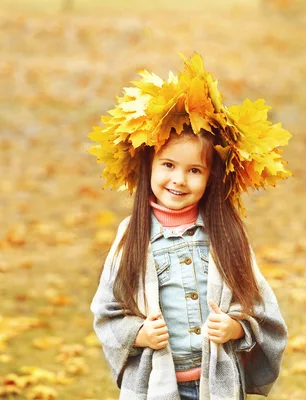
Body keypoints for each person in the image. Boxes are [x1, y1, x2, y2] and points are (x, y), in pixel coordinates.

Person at [89, 53, 291, 400]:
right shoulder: (132, 237)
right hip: (155, 387)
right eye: (168, 164)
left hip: (218, 387)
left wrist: (236, 329)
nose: (178, 180)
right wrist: (138, 334)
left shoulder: (225, 236)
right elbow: (106, 314)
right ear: (148, 165)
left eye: (194, 170)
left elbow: (261, 311)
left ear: (211, 177)